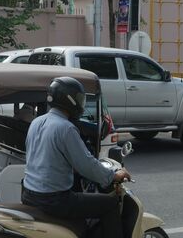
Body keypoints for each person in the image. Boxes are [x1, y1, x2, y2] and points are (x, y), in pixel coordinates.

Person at [22, 77, 130, 238]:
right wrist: (113, 175)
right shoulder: (66, 128)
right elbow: (86, 165)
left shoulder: (37, 122)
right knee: (110, 204)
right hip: (54, 200)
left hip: (30, 194)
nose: (81, 104)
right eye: (80, 99)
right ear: (69, 100)